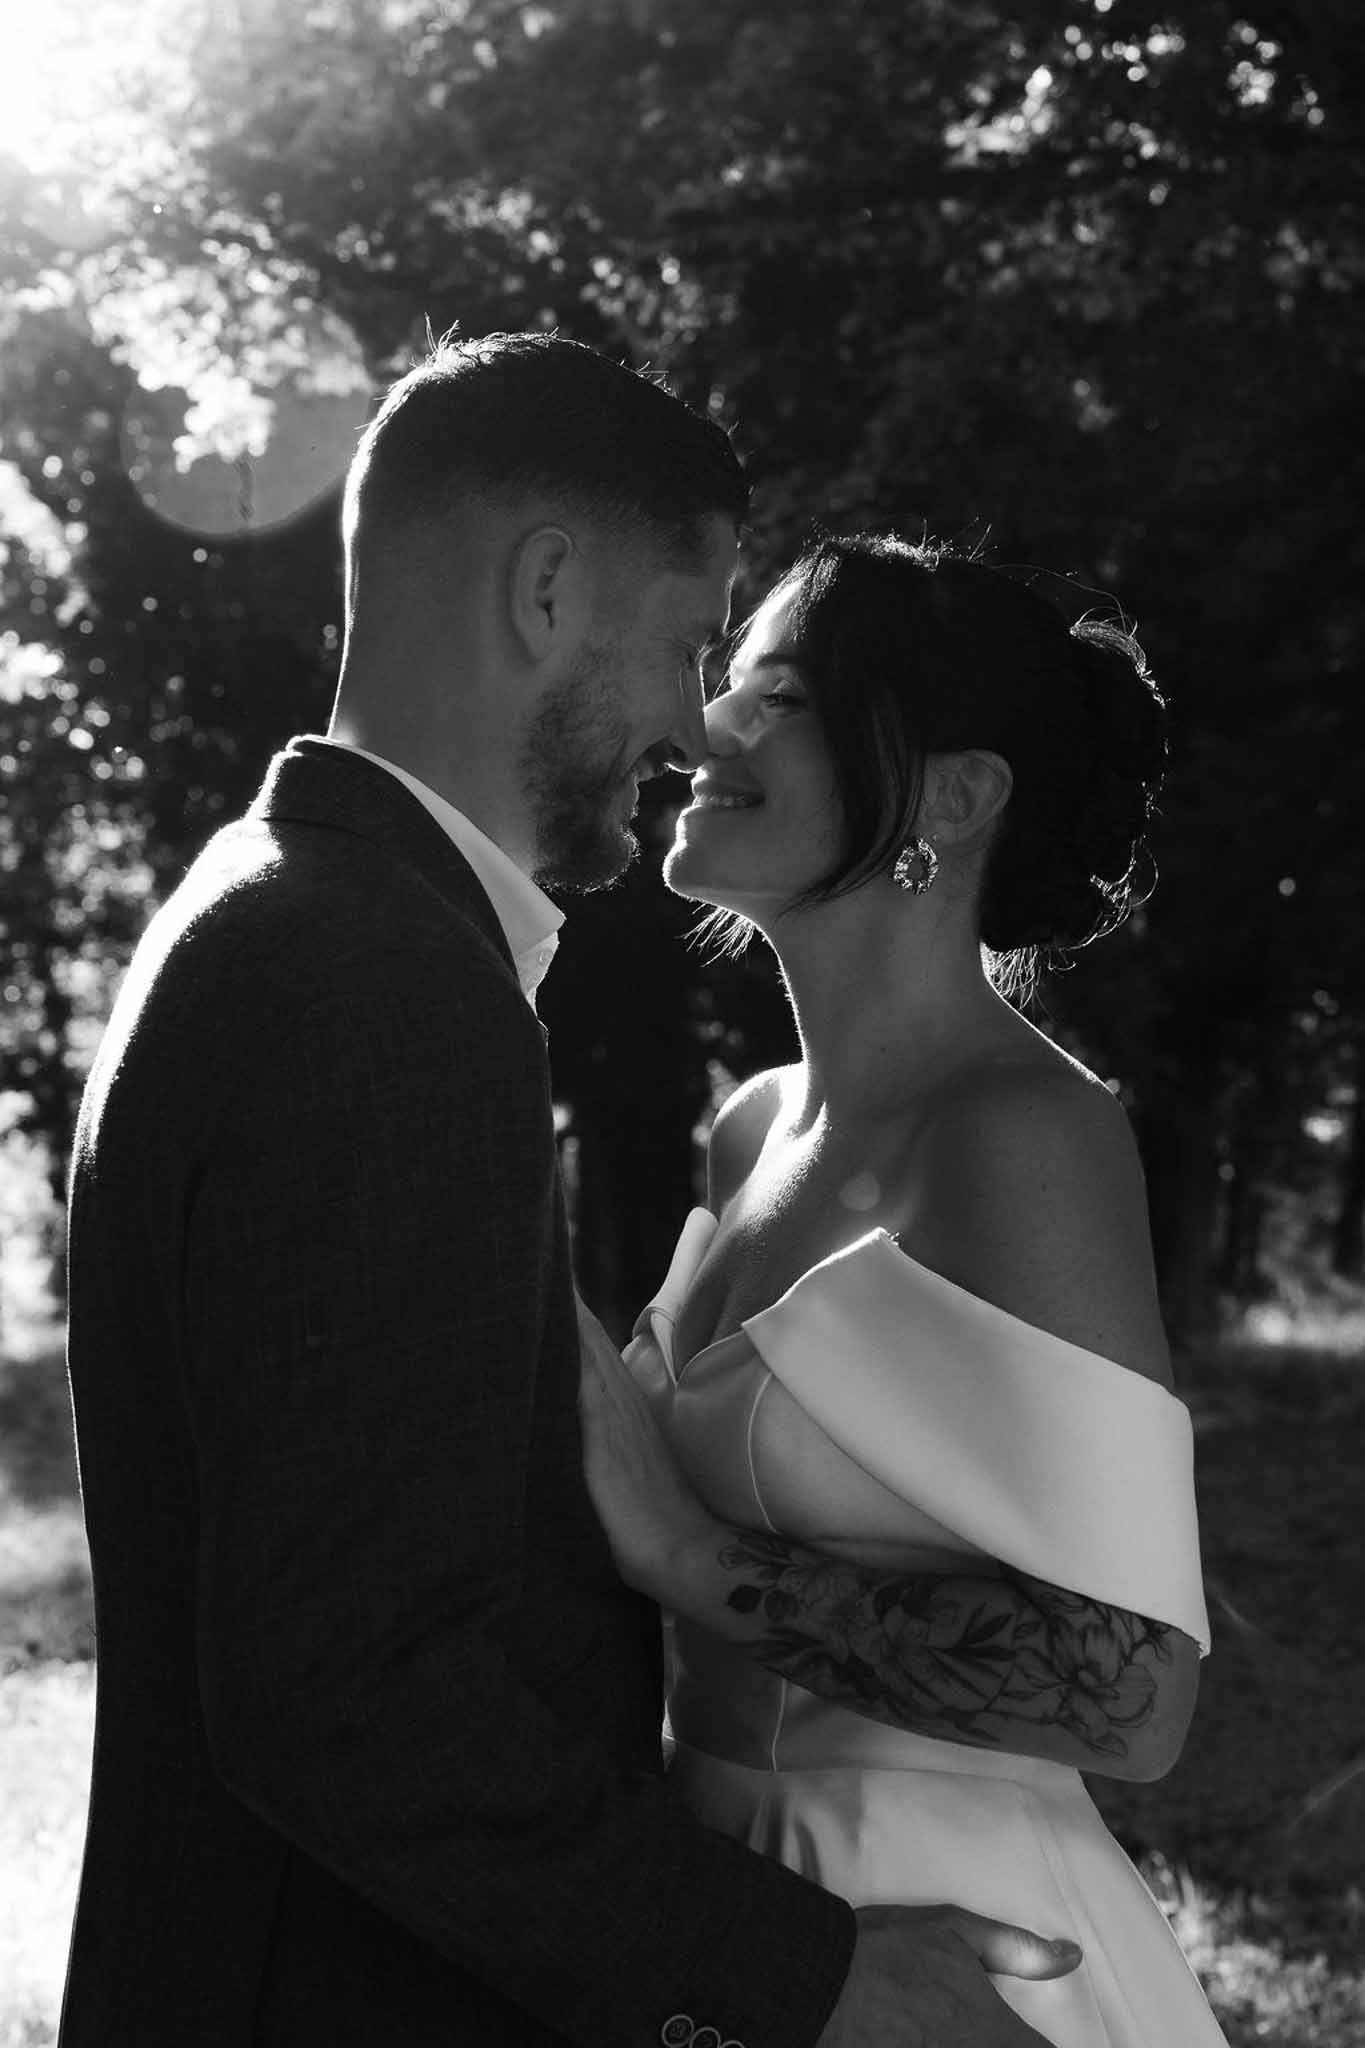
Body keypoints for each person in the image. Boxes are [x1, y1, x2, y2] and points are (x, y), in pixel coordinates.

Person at [61, 337, 1081, 2047]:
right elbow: (350, 1689)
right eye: (689, 648)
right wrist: (806, 1976)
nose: (695, 727)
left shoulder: (286, 909)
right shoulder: (371, 984)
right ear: (545, 588)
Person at [578, 532, 1230, 2047]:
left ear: (953, 794)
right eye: (722, 682)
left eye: (782, 696)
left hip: (952, 1948)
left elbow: (1132, 1698)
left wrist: (681, 1553)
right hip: (738, 1917)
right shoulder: (750, 1122)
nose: (704, 731)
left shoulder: (1024, 1136)